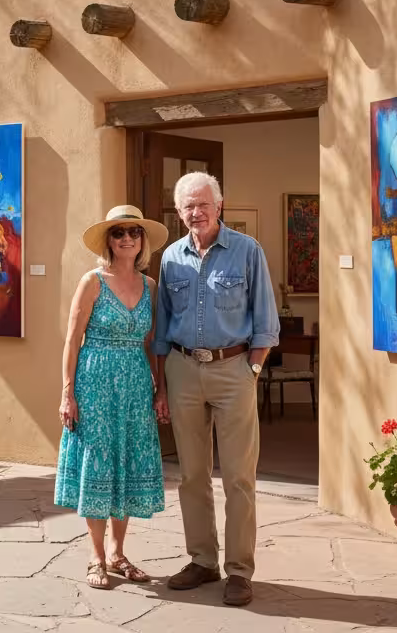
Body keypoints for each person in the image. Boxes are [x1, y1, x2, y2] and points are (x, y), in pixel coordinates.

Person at [152, 172, 278, 607]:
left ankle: (239, 571)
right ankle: (202, 560)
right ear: (179, 210)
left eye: (203, 203)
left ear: (219, 205)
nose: (196, 212)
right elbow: (162, 327)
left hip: (233, 370)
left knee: (239, 478)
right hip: (183, 370)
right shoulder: (170, 258)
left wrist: (253, 371)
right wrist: (163, 385)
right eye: (187, 205)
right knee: (191, 475)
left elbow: (266, 322)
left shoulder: (247, 251)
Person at [55, 205, 170, 590]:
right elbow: (72, 341)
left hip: (136, 385)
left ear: (142, 241)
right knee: (99, 465)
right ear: (109, 240)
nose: (126, 239)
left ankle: (119, 554)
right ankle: (96, 556)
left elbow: (153, 342)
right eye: (119, 233)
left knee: (127, 465)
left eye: (133, 233)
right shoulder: (92, 281)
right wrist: (67, 393)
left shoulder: (151, 286)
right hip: (95, 383)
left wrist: (161, 388)